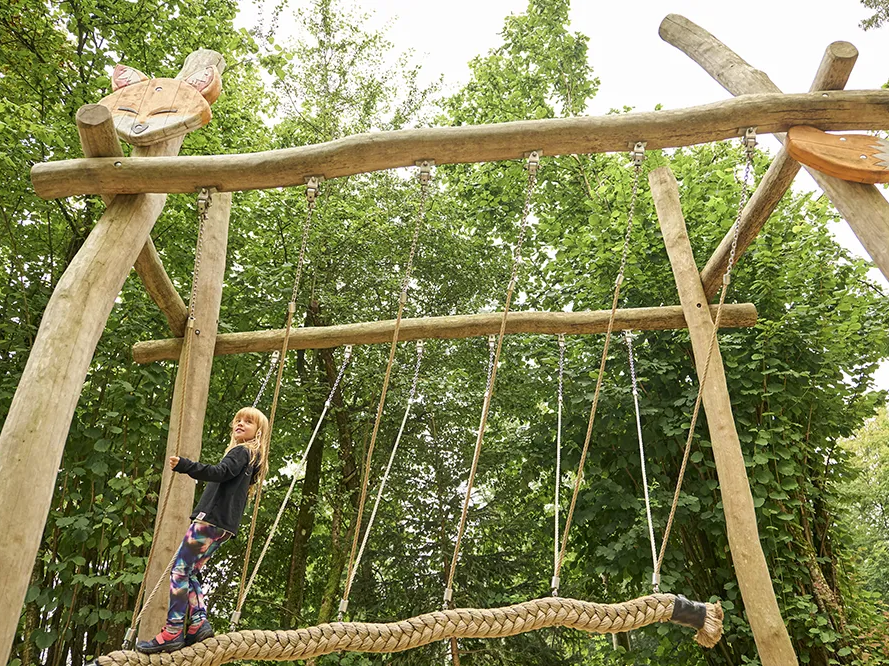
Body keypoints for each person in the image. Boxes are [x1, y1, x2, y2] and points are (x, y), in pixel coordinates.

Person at [136, 407, 269, 654]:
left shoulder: (241, 451)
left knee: (179, 571)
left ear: (258, 432)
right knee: (192, 572)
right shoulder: (253, 459)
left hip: (209, 522)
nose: (240, 424)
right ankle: (198, 622)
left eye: (248, 422)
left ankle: (173, 630)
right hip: (223, 526)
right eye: (238, 420)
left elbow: (219, 473)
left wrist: (186, 465)